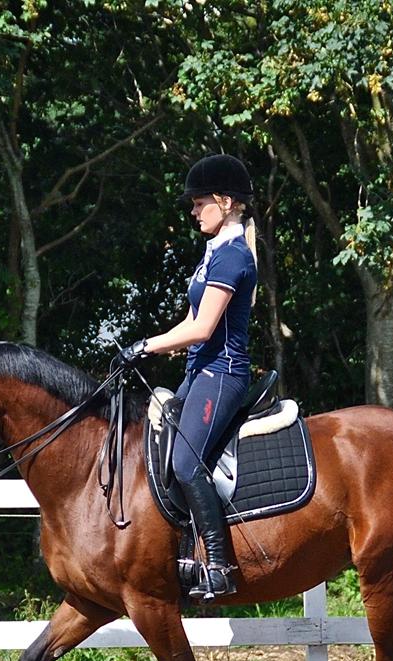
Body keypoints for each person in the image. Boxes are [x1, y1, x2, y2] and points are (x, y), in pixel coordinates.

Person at [115, 154, 259, 601]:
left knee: (182, 462)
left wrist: (146, 346)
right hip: (199, 372)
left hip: (223, 374)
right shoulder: (213, 253)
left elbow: (203, 329)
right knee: (158, 454)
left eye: (199, 204)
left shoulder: (234, 256)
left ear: (226, 201)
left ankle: (218, 564)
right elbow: (187, 323)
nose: (194, 211)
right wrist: (146, 344)